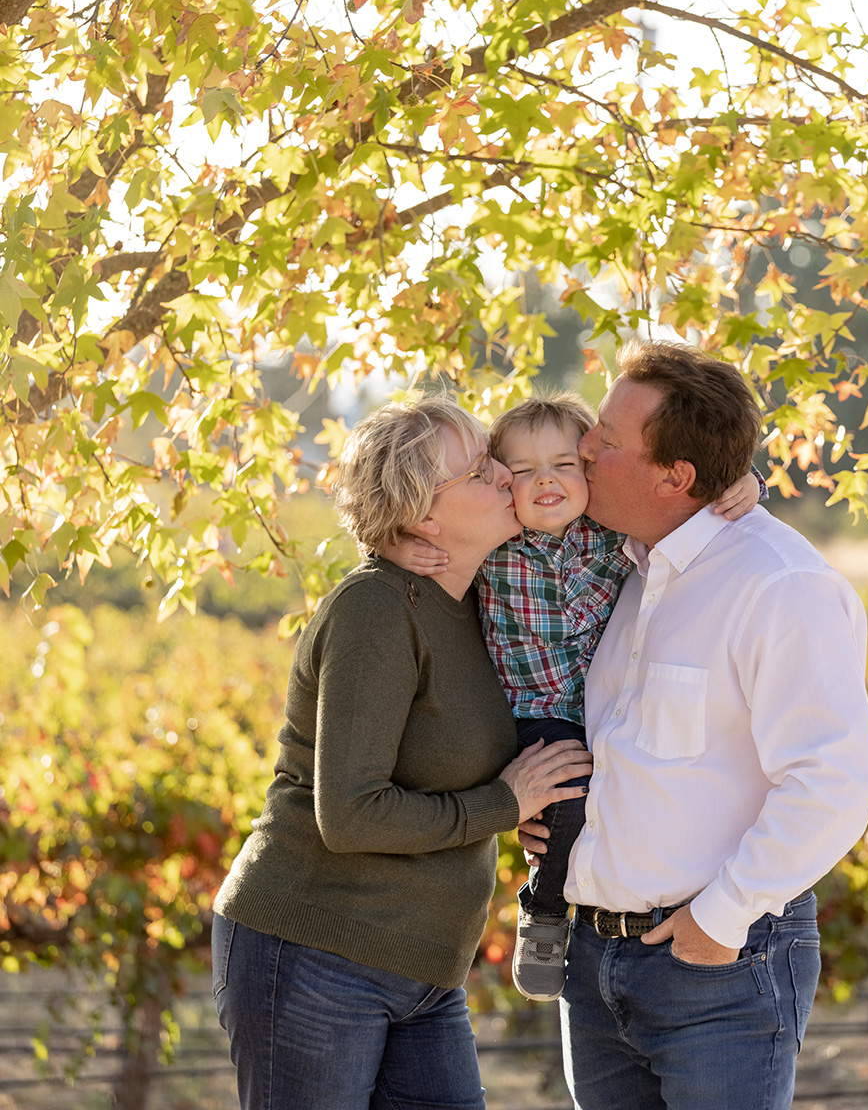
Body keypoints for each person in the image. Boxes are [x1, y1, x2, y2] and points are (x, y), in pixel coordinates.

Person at [519, 341, 868, 1110]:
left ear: (675, 477)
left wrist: (719, 921)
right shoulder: (615, 567)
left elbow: (833, 780)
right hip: (594, 962)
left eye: (607, 441)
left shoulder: (779, 586)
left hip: (718, 965)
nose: (584, 447)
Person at [211, 396, 593, 1110]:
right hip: (314, 952)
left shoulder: (491, 599)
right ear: (424, 519)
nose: (509, 478)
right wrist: (504, 804)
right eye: (482, 471)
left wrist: (734, 486)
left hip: (423, 970)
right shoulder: (377, 609)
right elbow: (351, 816)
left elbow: (576, 467)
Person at [397, 393, 764, 1003]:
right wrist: (400, 546)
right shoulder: (496, 545)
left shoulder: (611, 535)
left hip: (600, 710)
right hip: (531, 715)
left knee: (611, 795)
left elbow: (683, 492)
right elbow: (427, 527)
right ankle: (543, 914)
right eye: (523, 471)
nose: (545, 480)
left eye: (565, 465)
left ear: (590, 471)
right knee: (566, 802)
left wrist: (747, 482)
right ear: (499, 484)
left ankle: (605, 896)